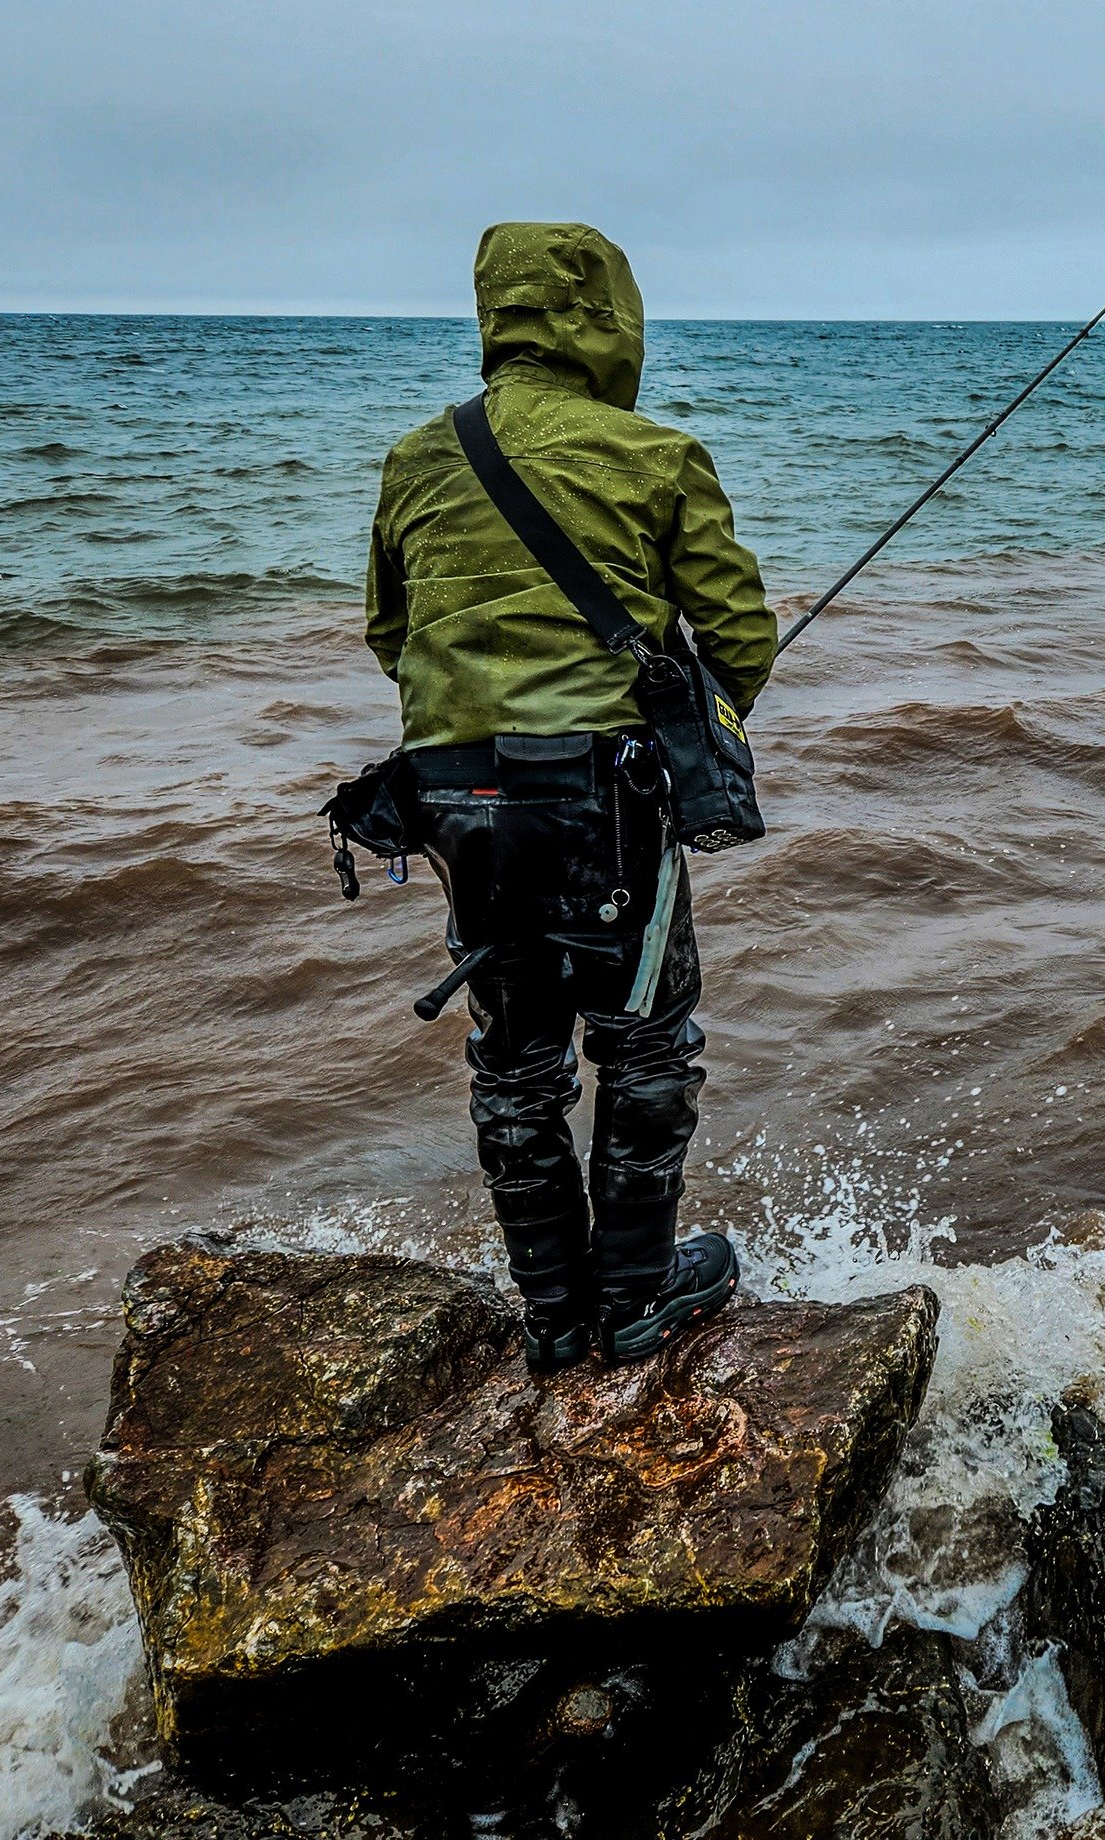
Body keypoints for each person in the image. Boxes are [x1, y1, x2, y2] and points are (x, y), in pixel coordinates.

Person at [365, 222, 777, 1373]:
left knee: (513, 1057)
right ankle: (637, 1299)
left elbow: (392, 637)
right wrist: (682, 714)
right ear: (607, 316)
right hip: (604, 798)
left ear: (497, 316)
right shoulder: (654, 454)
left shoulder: (412, 459)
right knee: (645, 1042)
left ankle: (552, 1314)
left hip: (452, 802)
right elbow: (740, 633)